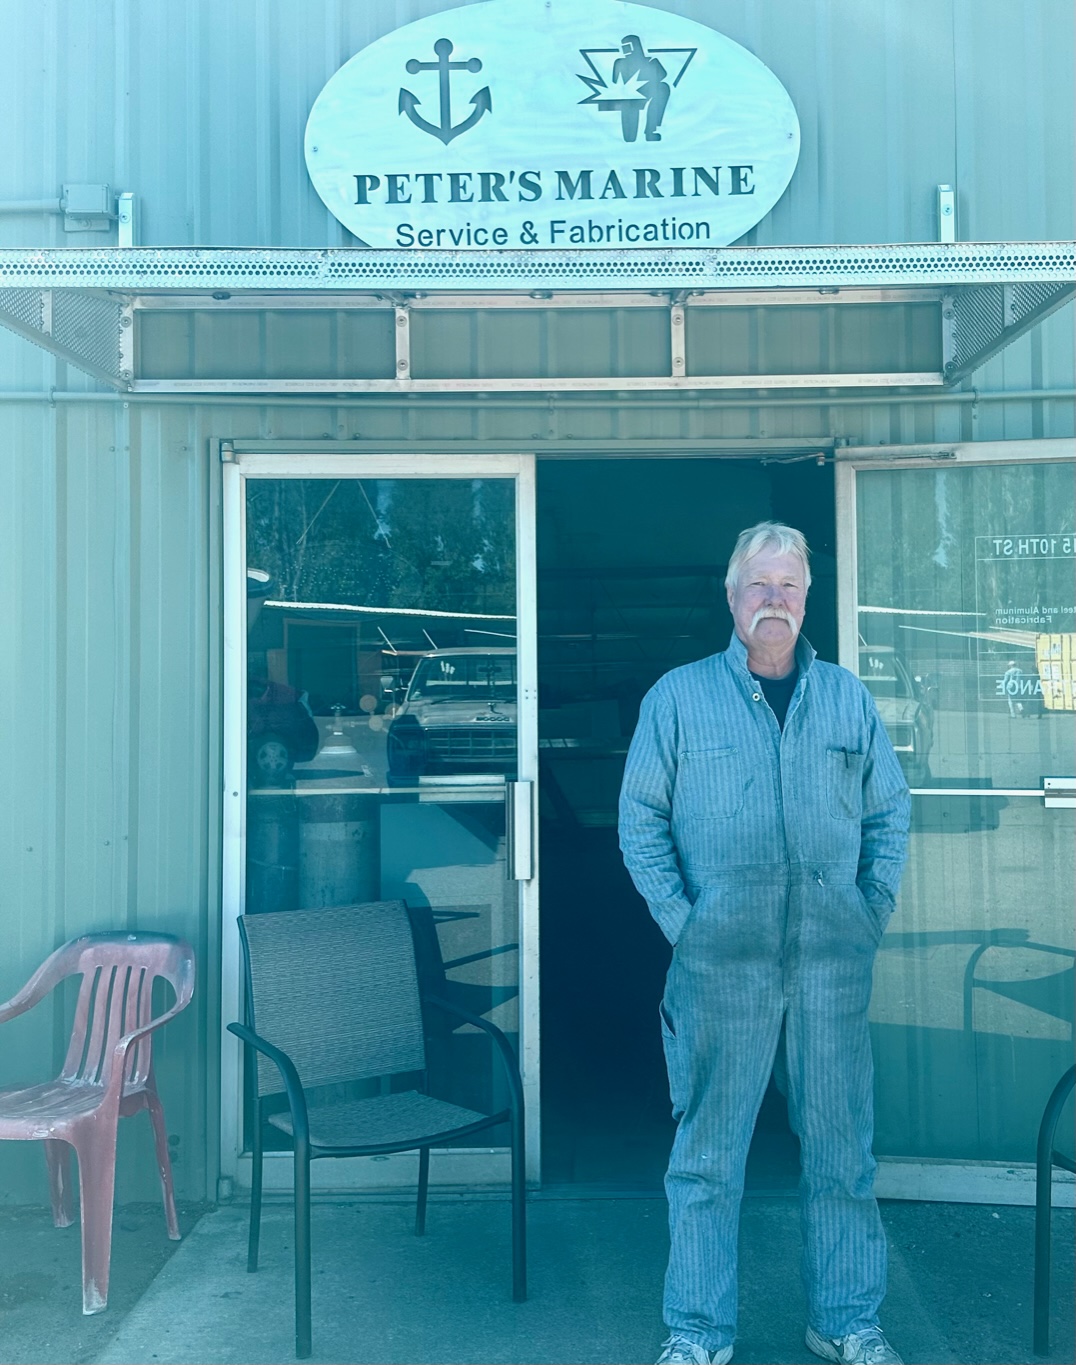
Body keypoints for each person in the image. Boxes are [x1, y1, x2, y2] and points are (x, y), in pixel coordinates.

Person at [619, 522, 910, 1365]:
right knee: (707, 1156)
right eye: (759, 583)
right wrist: (689, 925)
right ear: (732, 596)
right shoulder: (678, 697)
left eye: (788, 584)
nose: (773, 598)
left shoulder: (847, 698)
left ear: (807, 599)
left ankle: (846, 1320)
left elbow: (889, 813)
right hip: (720, 969)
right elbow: (640, 820)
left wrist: (866, 914)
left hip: (830, 968)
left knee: (842, 1153)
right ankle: (698, 1331)